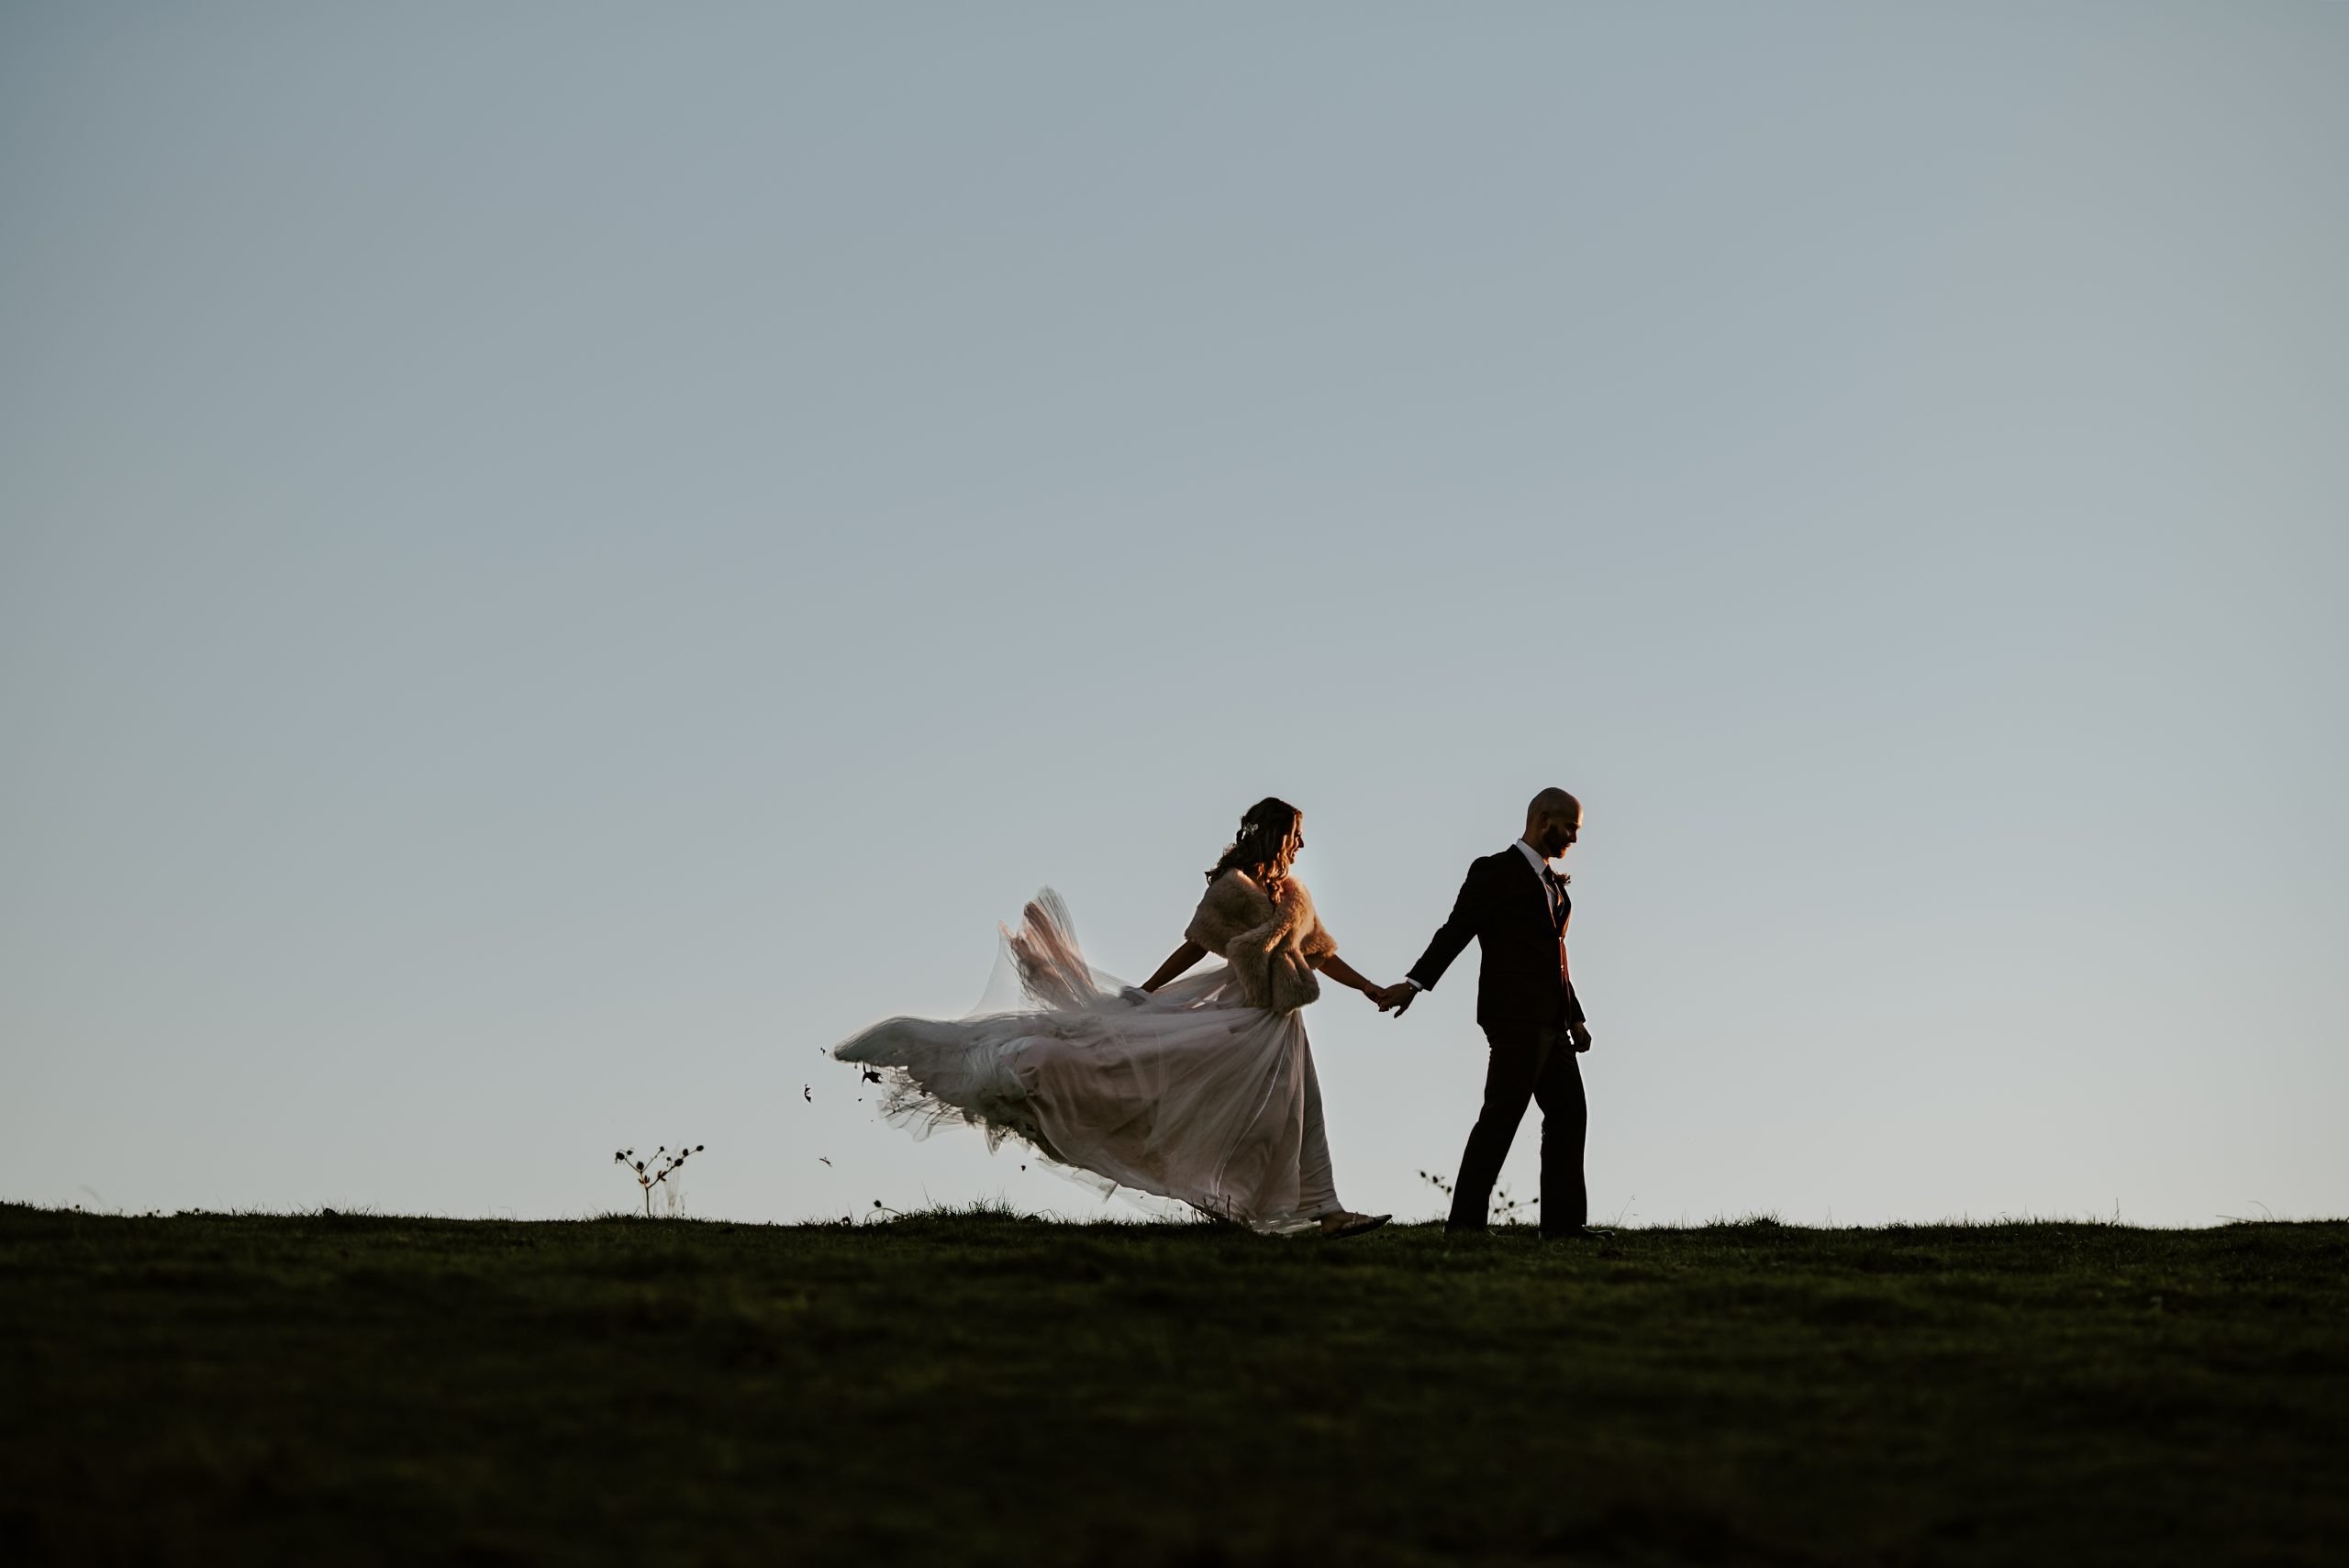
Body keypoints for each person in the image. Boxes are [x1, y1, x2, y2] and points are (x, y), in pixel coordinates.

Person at [835, 797, 1396, 1238]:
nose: (1301, 844)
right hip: (1239, 1015)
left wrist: (1371, 988)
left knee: (1297, 1114)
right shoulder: (1233, 889)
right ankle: (1254, 1197)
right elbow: (1195, 946)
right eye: (1295, 834)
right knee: (1173, 1087)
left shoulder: (1295, 896)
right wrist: (1147, 995)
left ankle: (1324, 1211)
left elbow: (1319, 953)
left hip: (1282, 1023)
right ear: (1277, 834)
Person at [1376, 788, 1607, 1240]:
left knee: (1569, 1111)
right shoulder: (1494, 872)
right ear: (1543, 820)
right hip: (1514, 1016)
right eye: (1570, 828)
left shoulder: (1554, 886)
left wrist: (1573, 1015)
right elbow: (1457, 930)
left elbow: (1553, 956)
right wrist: (1415, 984)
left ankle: (1562, 1227)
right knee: (1503, 1114)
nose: (1574, 839)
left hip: (1552, 1019)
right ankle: (1464, 1224)